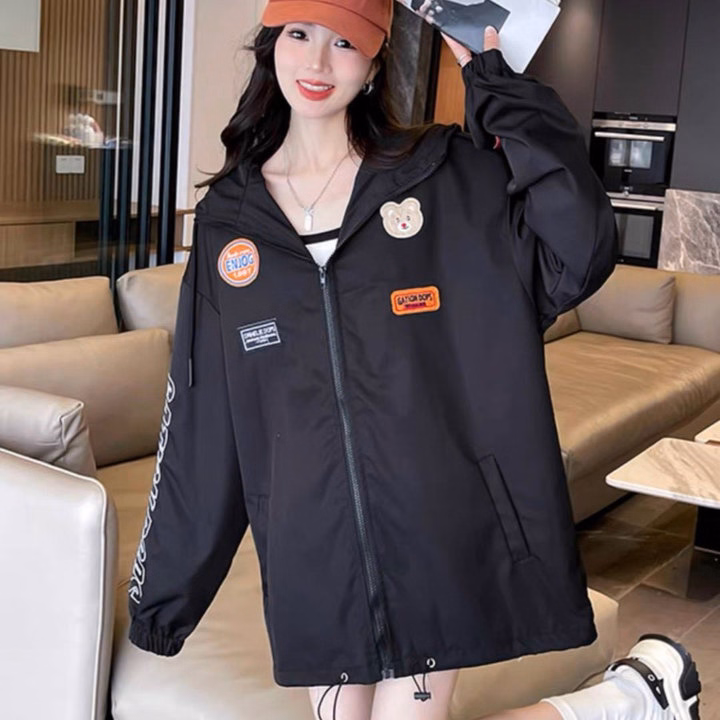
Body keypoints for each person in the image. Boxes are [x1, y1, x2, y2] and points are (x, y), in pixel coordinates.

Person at [125, 1, 702, 719]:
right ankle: (627, 700)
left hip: (436, 526)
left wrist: (501, 91)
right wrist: (165, 600)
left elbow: (577, 250)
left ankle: (629, 700)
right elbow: (203, 414)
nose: (317, 62)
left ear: (374, 63)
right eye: (299, 35)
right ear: (271, 44)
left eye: (345, 42)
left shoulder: (442, 176)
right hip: (311, 551)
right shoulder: (229, 221)